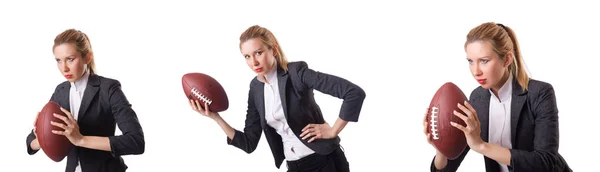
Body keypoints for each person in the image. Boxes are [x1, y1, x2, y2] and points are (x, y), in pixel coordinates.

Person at [189, 25, 366, 172]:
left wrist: (333, 130)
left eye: (258, 52)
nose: (254, 62)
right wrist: (215, 117)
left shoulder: (296, 73)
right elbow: (249, 143)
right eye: (247, 56)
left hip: (323, 162)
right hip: (293, 165)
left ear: (273, 50)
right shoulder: (255, 88)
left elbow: (353, 93)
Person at [424, 22, 572, 172]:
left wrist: (482, 146)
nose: (476, 71)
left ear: (507, 59)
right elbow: (447, 168)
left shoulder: (540, 93)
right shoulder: (477, 99)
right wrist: (441, 148)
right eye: (470, 61)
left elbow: (545, 162)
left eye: (484, 61)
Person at [26, 29, 145, 172]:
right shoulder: (61, 91)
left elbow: (136, 142)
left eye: (70, 59)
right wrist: (43, 137)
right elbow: (30, 141)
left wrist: (81, 139)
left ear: (87, 57)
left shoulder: (109, 88)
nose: (64, 68)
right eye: (58, 60)